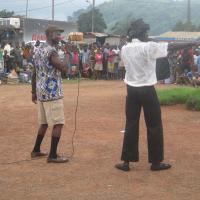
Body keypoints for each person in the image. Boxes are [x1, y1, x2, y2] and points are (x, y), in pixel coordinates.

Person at [115, 19, 200, 172]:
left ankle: (126, 162)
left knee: (131, 124)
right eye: (146, 32)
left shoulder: (125, 48)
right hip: (147, 90)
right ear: (142, 33)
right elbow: (171, 46)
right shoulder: (149, 47)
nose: (148, 34)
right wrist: (191, 43)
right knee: (154, 124)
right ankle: (155, 162)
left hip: (131, 90)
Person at [31, 25, 69, 163]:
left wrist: (34, 91)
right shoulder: (52, 51)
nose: (60, 37)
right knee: (58, 123)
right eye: (58, 34)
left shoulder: (38, 49)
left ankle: (36, 150)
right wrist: (68, 54)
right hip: (53, 92)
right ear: (50, 34)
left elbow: (34, 72)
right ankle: (52, 155)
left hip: (41, 92)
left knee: (44, 122)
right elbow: (64, 68)